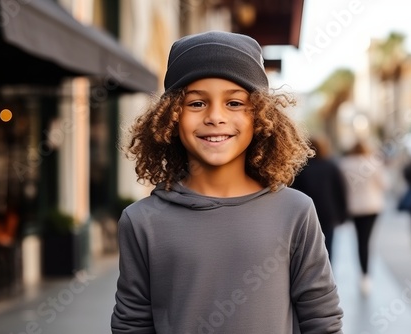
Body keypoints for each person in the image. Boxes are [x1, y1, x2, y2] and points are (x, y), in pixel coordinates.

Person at [111, 31, 343, 334]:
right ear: (171, 117)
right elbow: (132, 325)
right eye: (196, 104)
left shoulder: (295, 211)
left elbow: (322, 320)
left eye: (234, 103)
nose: (215, 117)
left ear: (260, 116)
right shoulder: (141, 222)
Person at [290, 135, 347, 262]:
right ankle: (327, 276)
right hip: (328, 213)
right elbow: (340, 191)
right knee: (328, 247)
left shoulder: (300, 169)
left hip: (306, 215)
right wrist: (343, 214)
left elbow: (294, 192)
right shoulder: (331, 166)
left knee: (307, 249)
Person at [339, 140, 385, 296]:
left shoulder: (344, 164)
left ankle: (363, 275)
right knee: (367, 240)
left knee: (360, 240)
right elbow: (384, 184)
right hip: (372, 206)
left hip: (354, 207)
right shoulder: (373, 163)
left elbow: (341, 187)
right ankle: (366, 275)